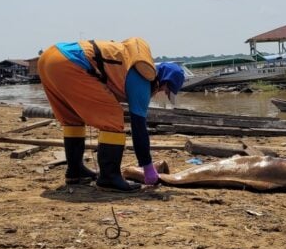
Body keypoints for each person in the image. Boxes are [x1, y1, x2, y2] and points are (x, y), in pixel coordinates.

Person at [37, 37, 185, 193]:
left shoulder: (130, 64)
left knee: (72, 118)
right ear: (164, 80)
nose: (162, 92)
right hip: (71, 62)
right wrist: (147, 167)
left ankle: (75, 172)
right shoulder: (143, 78)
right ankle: (109, 177)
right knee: (113, 117)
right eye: (166, 89)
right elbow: (138, 127)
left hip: (49, 58)